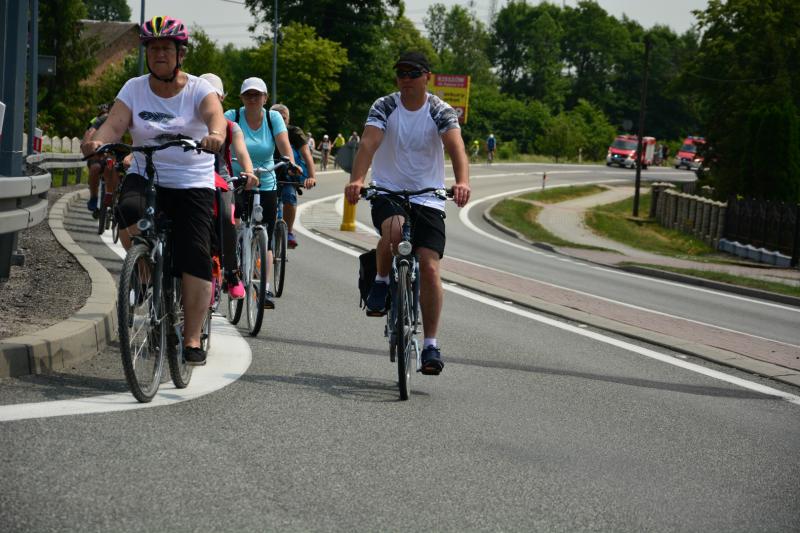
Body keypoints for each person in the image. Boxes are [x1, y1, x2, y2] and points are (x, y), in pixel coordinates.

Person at [81, 16, 226, 366]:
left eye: (166, 48)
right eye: (153, 48)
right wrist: (99, 142)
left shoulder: (198, 89)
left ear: (180, 54)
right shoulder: (134, 88)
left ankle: (191, 338)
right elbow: (115, 124)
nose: (159, 54)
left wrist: (215, 135)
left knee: (195, 253)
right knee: (127, 211)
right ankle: (145, 272)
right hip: (147, 173)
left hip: (191, 179)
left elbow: (215, 117)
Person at [344, 51, 470, 375]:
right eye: (401, 73)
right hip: (388, 191)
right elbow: (368, 144)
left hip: (428, 197)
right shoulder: (385, 106)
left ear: (427, 76)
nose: (406, 79)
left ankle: (430, 345)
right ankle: (382, 280)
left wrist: (462, 182)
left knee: (429, 266)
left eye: (413, 73)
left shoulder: (439, 110)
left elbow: (455, 146)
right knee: (395, 230)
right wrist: (357, 180)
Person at [224, 77, 300, 309]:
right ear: (241, 97)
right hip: (237, 179)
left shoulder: (272, 118)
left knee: (265, 234)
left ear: (265, 98)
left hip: (266, 179)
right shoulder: (232, 116)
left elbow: (284, 145)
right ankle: (233, 268)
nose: (253, 99)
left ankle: (264, 289)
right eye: (248, 94)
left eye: (257, 95)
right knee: (233, 224)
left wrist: (291, 163)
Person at [199, 73, 259, 300]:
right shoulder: (186, 120)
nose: (208, 99)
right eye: (203, 94)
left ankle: (232, 273)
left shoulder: (230, 127)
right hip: (189, 178)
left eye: (213, 95)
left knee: (226, 216)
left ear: (222, 98)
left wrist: (249, 171)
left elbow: (242, 152)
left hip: (220, 179)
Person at [270, 103, 317, 249]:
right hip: (267, 171)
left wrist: (311, 176)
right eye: (276, 117)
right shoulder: (263, 129)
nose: (280, 120)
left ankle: (289, 232)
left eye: (283, 118)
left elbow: (306, 154)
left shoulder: (294, 132)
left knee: (289, 196)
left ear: (288, 119)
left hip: (288, 173)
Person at [82, 103, 110, 213]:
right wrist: (87, 147)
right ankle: (93, 197)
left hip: (114, 151)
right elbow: (88, 135)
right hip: (98, 151)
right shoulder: (95, 120)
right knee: (95, 168)